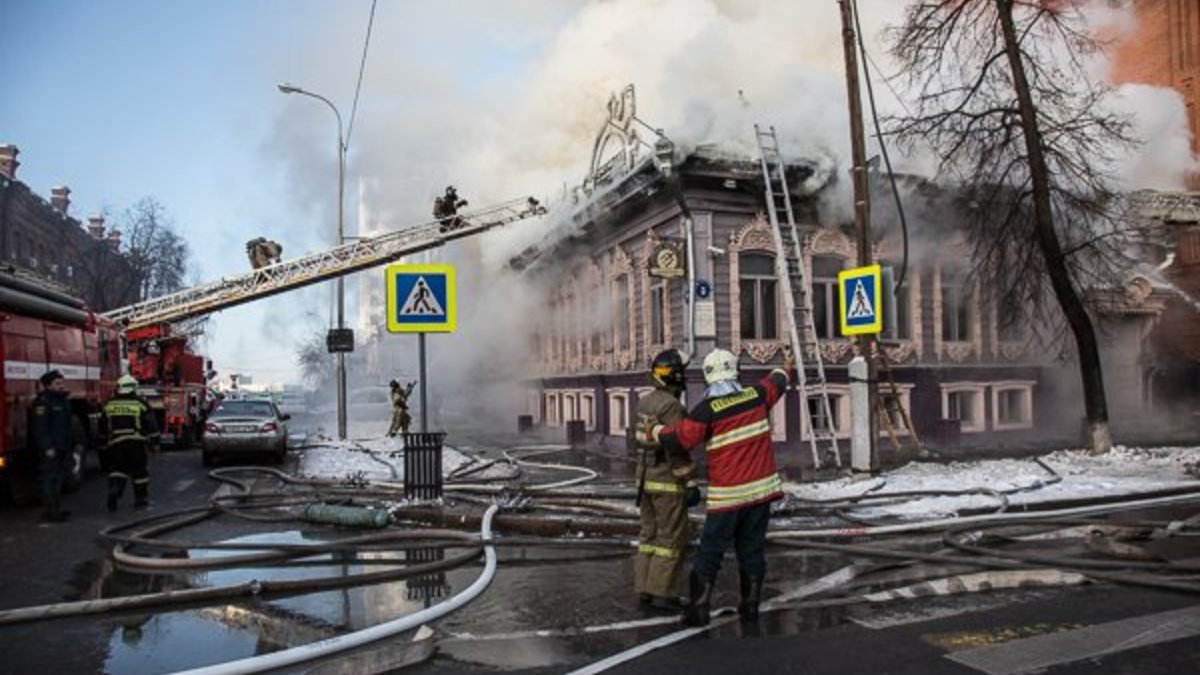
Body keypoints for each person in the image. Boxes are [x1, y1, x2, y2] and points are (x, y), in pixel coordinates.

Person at [643, 347, 794, 626]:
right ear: (735, 371)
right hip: (761, 494)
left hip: (728, 498)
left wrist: (653, 430)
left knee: (710, 552)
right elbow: (779, 381)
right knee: (751, 550)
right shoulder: (757, 396)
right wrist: (785, 364)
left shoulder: (708, 410)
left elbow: (679, 440)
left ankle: (698, 610)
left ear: (709, 377)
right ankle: (750, 607)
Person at [632, 349, 698, 611]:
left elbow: (638, 440)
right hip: (668, 481)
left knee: (648, 534)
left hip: (645, 479)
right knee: (670, 539)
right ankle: (664, 594)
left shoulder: (645, 401)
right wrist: (690, 483)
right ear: (675, 375)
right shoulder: (672, 406)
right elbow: (676, 448)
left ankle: (645, 589)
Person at [102, 375, 160, 511]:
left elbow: (103, 425)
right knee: (139, 472)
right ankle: (140, 499)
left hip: (116, 443)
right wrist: (155, 442)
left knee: (117, 470)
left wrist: (102, 442)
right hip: (136, 443)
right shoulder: (140, 403)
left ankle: (115, 490)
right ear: (133, 388)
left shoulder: (109, 404)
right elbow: (152, 424)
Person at [30, 370, 74, 522]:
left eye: (61, 383)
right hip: (51, 449)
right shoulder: (43, 402)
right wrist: (47, 447)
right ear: (48, 385)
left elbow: (67, 425)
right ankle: (49, 512)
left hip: (62, 446)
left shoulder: (62, 400)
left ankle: (56, 509)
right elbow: (39, 428)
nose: (61, 386)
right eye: (57, 383)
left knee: (58, 479)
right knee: (50, 479)